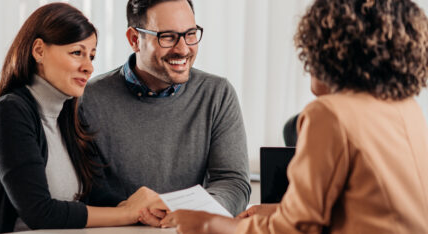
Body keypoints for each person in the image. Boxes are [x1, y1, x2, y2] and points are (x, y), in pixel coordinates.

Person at [0, 0, 251, 227]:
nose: (183, 48)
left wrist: (188, 215)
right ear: (135, 39)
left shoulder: (217, 93)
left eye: (190, 34)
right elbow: (47, 201)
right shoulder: (82, 99)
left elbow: (232, 181)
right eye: (168, 37)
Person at [160, 0, 428, 233]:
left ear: (332, 52)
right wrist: (279, 210)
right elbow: (368, 208)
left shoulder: (330, 114)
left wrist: (208, 225)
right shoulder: (405, 109)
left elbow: (295, 230)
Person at [0, 3, 165, 234]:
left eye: (91, 56)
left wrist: (144, 210)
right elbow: (40, 212)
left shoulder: (69, 114)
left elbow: (98, 195)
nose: (89, 67)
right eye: (76, 53)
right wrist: (128, 212)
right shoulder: (10, 112)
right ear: (39, 51)